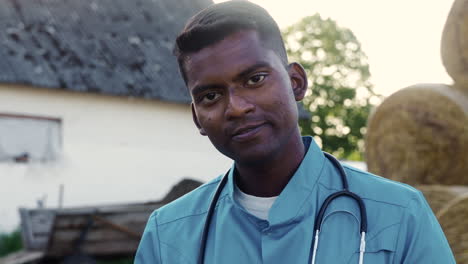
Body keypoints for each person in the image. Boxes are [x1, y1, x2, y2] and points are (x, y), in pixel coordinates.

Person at [135, 1, 455, 263]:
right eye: (210, 96)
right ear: (197, 118)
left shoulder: (399, 215)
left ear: (296, 82)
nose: (235, 107)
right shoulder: (167, 237)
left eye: (255, 79)